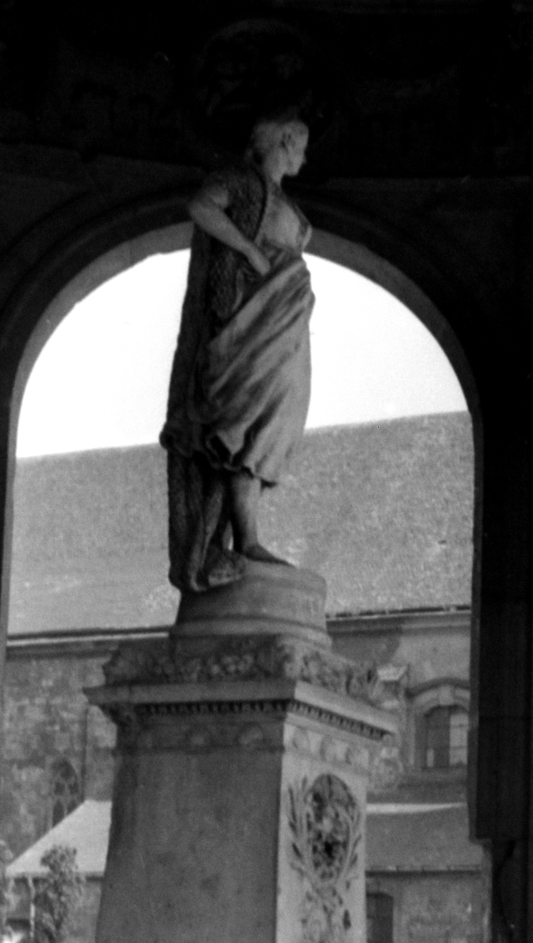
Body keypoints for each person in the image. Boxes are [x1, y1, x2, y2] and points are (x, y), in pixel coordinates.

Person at [162, 109, 316, 594]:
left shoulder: (286, 202)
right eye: (301, 145)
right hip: (243, 324)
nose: (305, 157)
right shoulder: (239, 180)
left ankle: (248, 537)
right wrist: (249, 252)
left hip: (282, 330)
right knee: (238, 426)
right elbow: (202, 207)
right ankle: (244, 539)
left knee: (269, 426)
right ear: (285, 141)